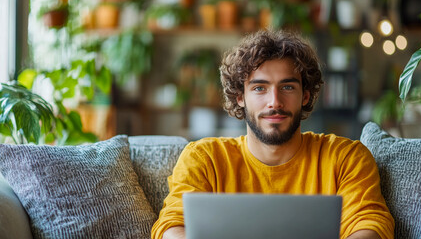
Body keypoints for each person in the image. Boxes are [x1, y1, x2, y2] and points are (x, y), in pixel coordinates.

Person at [151, 30, 394, 239]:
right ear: (240, 97)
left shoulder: (346, 157)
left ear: (306, 95)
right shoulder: (204, 158)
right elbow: (171, 226)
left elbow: (370, 225)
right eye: (259, 88)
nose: (274, 102)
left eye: (287, 87)